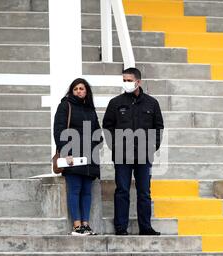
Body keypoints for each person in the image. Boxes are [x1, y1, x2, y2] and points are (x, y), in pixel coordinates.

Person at [102, 68, 164, 236]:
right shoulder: (116, 103)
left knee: (144, 192)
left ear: (138, 82)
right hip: (122, 155)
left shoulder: (152, 103)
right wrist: (115, 145)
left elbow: (158, 127)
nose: (126, 83)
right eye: (124, 80)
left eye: (129, 80)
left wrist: (153, 146)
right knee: (122, 190)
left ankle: (146, 227)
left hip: (144, 155)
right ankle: (121, 228)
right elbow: (107, 126)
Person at [53, 78, 102, 236]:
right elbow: (59, 130)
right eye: (76, 89)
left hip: (90, 156)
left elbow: (97, 130)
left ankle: (86, 224)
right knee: (75, 189)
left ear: (86, 91)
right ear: (71, 91)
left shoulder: (90, 108)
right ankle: (76, 225)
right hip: (72, 155)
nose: (79, 91)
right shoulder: (65, 106)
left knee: (87, 191)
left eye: (81, 88)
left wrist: (95, 141)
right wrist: (65, 151)